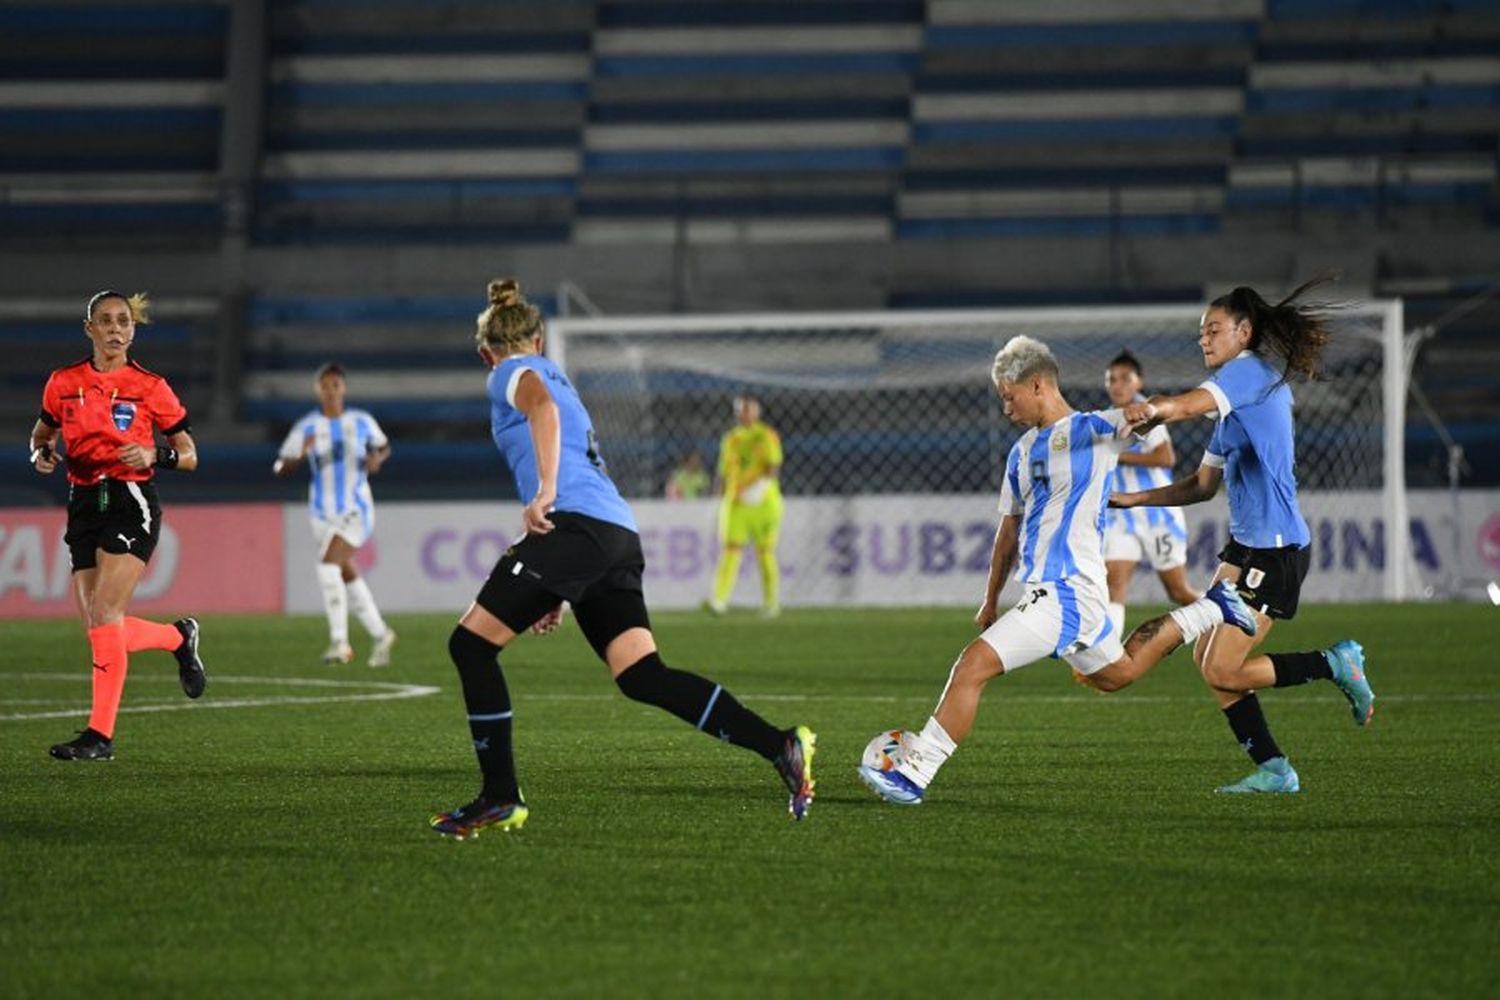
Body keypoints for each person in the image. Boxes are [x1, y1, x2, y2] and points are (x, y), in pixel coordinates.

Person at [429, 278, 816, 839]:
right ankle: (779, 744)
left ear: (486, 350)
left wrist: (543, 497)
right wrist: (560, 581)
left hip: (575, 527)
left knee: (470, 645)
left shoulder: (508, 373)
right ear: (538, 338)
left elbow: (540, 411)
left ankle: (499, 795)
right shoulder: (558, 375)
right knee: (641, 675)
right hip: (612, 533)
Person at [859, 335, 1259, 806]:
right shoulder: (1021, 454)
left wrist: (1154, 408)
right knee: (1117, 674)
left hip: (1065, 591)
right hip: (1068, 593)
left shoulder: (1097, 429)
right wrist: (990, 599)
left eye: (1009, 397)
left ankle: (915, 772)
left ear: (1036, 385)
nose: (1005, 408)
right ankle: (1212, 608)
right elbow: (1008, 531)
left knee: (972, 666)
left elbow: (1162, 417)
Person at [1107, 279, 1376, 794]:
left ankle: (1334, 663)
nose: (1203, 340)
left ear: (1244, 332)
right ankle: (1274, 768)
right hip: (1245, 548)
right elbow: (1201, 486)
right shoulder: (1231, 409)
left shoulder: (1250, 374)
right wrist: (1134, 499)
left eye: (1213, 330)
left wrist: (1155, 406)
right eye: (1200, 333)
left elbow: (1184, 406)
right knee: (1207, 662)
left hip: (1276, 550)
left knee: (1225, 667)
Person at [30, 290, 207, 761]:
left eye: (123, 321)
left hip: (131, 498)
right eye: (105, 321)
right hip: (83, 500)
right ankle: (177, 637)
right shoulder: (63, 383)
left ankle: (100, 737)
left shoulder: (150, 387)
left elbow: (189, 455)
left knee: (106, 614)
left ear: (132, 330)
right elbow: (42, 433)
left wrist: (157, 454)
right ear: (88, 327)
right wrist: (41, 453)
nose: (115, 329)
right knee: (96, 624)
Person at [273, 363, 396, 667]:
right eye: (325, 386)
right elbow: (280, 468)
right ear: (317, 390)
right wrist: (300, 456)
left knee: (327, 566)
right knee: (346, 573)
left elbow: (383, 447)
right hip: (321, 514)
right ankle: (381, 633)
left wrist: (376, 461)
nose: (330, 391)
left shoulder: (361, 421)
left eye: (335, 385)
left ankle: (340, 643)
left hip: (356, 508)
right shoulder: (306, 428)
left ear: (344, 388)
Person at [1102, 349, 1199, 633]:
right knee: (1115, 583)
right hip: (1123, 517)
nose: (1117, 385)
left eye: (1123, 378)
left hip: (1157, 515)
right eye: (1111, 379)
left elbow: (1166, 457)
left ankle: (1223, 620)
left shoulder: (1146, 412)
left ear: (1138, 383)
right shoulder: (1108, 418)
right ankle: (1108, 654)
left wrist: (1117, 456)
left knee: (1178, 592)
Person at [705, 394, 783, 617]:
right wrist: (718, 497)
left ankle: (771, 603)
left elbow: (773, 466)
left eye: (748, 409)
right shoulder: (730, 438)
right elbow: (723, 471)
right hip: (736, 503)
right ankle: (719, 600)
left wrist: (758, 488)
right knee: (730, 550)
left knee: (765, 552)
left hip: (763, 502)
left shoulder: (766, 435)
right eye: (741, 409)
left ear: (756, 412)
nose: (744, 413)